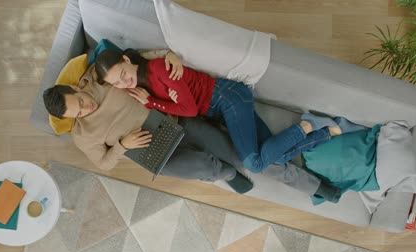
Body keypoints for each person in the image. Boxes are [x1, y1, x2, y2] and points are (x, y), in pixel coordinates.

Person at [43, 50, 342, 201]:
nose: (87, 108)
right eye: (78, 113)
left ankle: (315, 185)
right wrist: (122, 145)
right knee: (206, 167)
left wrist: (168, 55)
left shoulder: (100, 76)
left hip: (178, 119)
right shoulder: (81, 134)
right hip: (146, 148)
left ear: (75, 88)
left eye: (81, 101)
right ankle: (224, 173)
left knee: (249, 159)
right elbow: (104, 162)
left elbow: (138, 62)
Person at [94, 49, 356, 175]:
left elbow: (189, 108)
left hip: (227, 98)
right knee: (272, 157)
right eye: (117, 82)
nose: (124, 82)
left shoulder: (159, 70)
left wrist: (154, 103)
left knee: (254, 163)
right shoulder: (140, 83)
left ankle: (307, 125)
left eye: (123, 74)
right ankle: (323, 133)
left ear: (127, 61)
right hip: (220, 108)